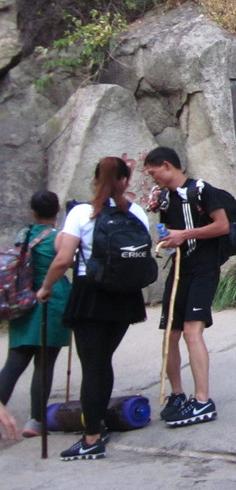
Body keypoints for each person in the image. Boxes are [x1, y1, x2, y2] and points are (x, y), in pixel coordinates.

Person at [37, 157, 149, 460]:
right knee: (103, 361)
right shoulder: (137, 212)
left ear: (95, 180)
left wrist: (46, 288)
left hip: (92, 295)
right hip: (126, 296)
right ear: (125, 181)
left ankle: (91, 438)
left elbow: (63, 258)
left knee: (93, 366)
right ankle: (97, 424)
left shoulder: (81, 213)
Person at [143, 146, 229, 428]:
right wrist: (168, 239)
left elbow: (222, 226)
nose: (152, 178)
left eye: (152, 172)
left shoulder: (202, 190)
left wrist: (186, 234)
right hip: (179, 270)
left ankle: (203, 400)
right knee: (170, 332)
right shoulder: (165, 199)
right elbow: (171, 232)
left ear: (166, 165)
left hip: (204, 268)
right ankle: (178, 395)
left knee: (193, 331)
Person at [0, 190, 72, 438]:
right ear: (57, 211)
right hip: (51, 300)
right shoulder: (59, 237)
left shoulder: (22, 234)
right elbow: (67, 262)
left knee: (14, 362)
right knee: (45, 363)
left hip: (22, 300)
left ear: (32, 211)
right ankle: (36, 421)